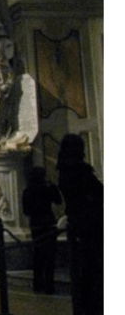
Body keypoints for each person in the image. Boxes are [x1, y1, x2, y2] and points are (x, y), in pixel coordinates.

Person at [56, 134, 103, 315]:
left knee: (80, 273)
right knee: (92, 272)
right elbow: (99, 192)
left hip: (75, 224)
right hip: (90, 226)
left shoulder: (63, 170)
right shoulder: (79, 170)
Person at [22, 166, 62, 294]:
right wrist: (53, 186)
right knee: (50, 257)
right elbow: (58, 200)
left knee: (38, 256)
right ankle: (49, 285)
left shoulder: (27, 191)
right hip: (48, 223)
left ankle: (38, 283)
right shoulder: (47, 189)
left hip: (36, 224)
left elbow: (26, 211)